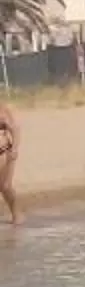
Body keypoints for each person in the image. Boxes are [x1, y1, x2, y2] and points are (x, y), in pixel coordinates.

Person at [0, 97, 20, 226]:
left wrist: (15, 149)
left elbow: (15, 130)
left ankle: (16, 215)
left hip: (4, 152)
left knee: (5, 187)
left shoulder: (3, 110)